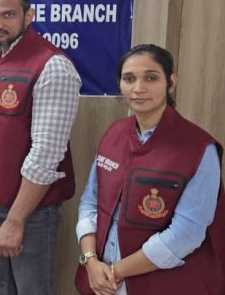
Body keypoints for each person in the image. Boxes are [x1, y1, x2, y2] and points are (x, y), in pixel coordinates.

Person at [74, 44, 225, 295]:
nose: (138, 88)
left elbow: (186, 235)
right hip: (101, 280)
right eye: (129, 78)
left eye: (151, 78)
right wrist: (90, 261)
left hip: (161, 284)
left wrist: (115, 271)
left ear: (171, 82)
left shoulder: (200, 148)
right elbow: (90, 202)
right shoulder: (114, 133)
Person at [0, 0, 81, 294]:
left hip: (26, 211)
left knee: (30, 290)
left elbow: (46, 154)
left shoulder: (52, 66)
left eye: (8, 15)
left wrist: (15, 220)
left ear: (29, 16)